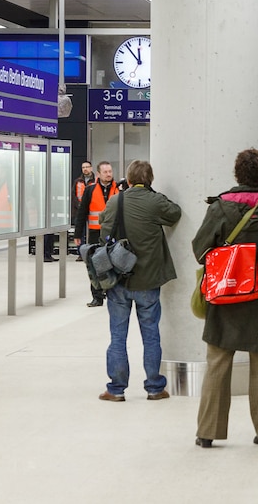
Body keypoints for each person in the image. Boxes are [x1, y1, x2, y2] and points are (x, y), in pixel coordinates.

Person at [191, 148, 258, 449]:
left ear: (238, 174)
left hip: (226, 292)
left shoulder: (220, 207)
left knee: (218, 360)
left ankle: (207, 433)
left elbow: (200, 250)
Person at [96, 160, 182, 402]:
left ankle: (116, 389)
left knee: (117, 336)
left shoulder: (116, 200)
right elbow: (175, 213)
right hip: (148, 280)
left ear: (129, 179)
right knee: (151, 334)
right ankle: (154, 387)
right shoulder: (155, 202)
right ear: (150, 180)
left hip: (119, 281)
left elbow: (104, 226)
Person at [75, 161, 120, 307]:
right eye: (105, 172)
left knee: (116, 263)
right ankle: (97, 296)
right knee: (94, 264)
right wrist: (77, 235)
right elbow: (81, 214)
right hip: (95, 233)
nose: (109, 174)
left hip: (115, 232)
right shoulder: (90, 190)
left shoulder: (119, 189)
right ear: (99, 174)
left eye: (110, 171)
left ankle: (114, 294)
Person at [72, 160, 96, 261]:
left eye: (87, 167)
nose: (85, 169)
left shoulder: (95, 181)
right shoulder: (78, 181)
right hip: (79, 211)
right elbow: (74, 195)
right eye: (83, 167)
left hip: (92, 210)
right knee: (79, 232)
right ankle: (81, 253)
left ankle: (91, 251)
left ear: (91, 168)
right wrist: (80, 206)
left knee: (91, 232)